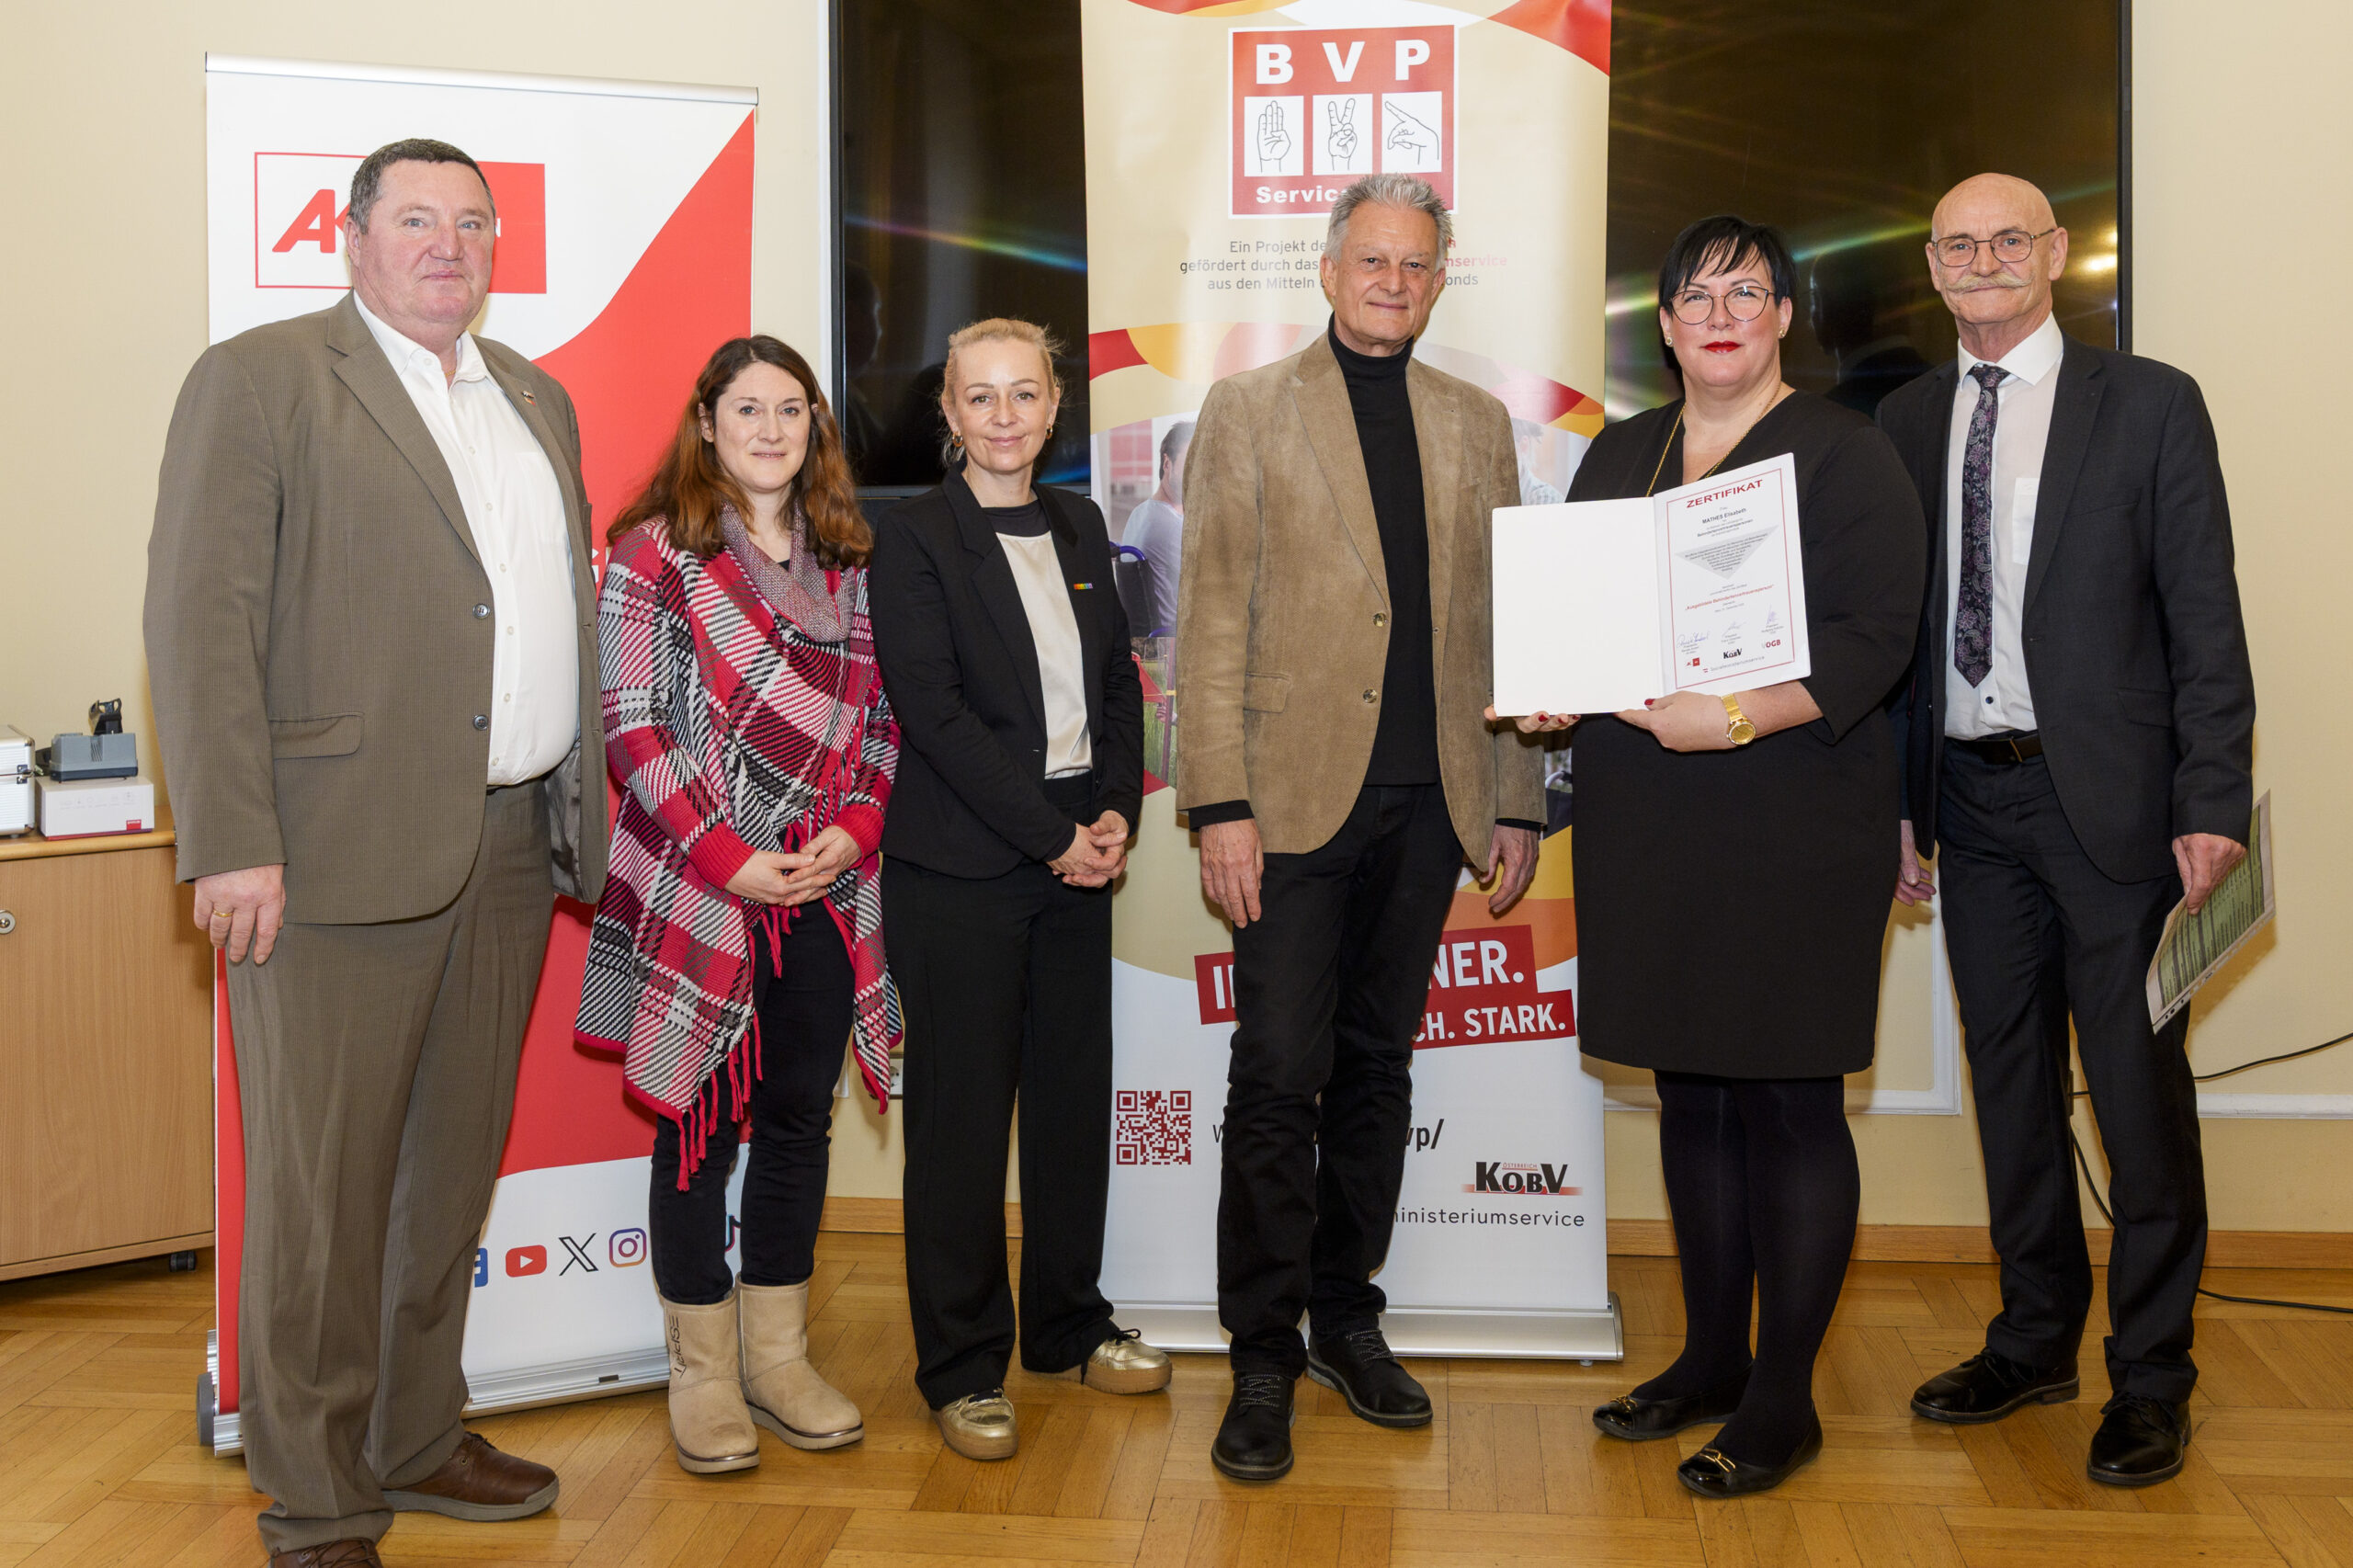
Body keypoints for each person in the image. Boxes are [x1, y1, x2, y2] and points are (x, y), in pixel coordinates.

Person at [143, 139, 607, 1568]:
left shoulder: (534, 395)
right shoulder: (261, 380)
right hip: (326, 856)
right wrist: (232, 840)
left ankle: (414, 1432)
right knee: (322, 1196)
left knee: (447, 1175)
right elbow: (198, 621)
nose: (446, 244)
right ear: (350, 239)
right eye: (414, 218)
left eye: (472, 221)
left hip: (510, 845)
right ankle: (317, 1493)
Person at [1500, 215, 1925, 1498]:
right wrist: (1553, 687)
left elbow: (1877, 637)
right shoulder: (1621, 452)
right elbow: (1586, 619)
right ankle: (1708, 1357)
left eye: (1747, 293)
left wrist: (1734, 714)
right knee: (1691, 1092)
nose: (1722, 315)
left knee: (1789, 1099)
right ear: (1668, 326)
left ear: (1785, 315)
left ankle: (1783, 1396)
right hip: (1650, 818)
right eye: (1697, 296)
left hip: (1795, 818)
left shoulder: (1848, 452)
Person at [1879, 173, 2255, 1486]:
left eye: (2008, 238)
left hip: (2117, 813)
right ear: (1933, 266)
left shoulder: (2149, 403)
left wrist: (2211, 801)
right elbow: (1898, 635)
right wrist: (1900, 801)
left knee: (2138, 1102)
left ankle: (2152, 1377)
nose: (1982, 259)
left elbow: (2204, 617)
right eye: (1958, 243)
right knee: (2012, 1090)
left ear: (2051, 253)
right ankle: (2034, 1338)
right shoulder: (1906, 417)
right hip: (1969, 803)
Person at [1177, 172, 1545, 1483]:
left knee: (1379, 1066)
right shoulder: (1248, 408)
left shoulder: (1476, 421)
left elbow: (1507, 619)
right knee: (1280, 1070)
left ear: (1439, 281)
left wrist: (1515, 793)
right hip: (1284, 800)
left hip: (1433, 801)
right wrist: (1217, 800)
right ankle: (1261, 1349)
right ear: (1330, 272)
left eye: (1416, 264)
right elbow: (1209, 613)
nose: (1394, 281)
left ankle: (1346, 1318)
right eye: (1373, 260)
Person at [574, 336, 898, 1475]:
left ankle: (779, 1357)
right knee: (698, 1127)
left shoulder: (847, 559)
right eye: (747, 409)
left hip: (823, 884)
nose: (770, 429)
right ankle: (703, 1372)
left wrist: (855, 826)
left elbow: (883, 723)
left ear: (815, 428)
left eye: (791, 409)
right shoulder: (652, 553)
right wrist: (727, 855)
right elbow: (631, 726)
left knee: (799, 1119)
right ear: (706, 422)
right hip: (704, 886)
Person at [869, 317, 1169, 1461]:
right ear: (949, 413)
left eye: (1024, 393)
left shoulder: (1081, 521)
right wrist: (1055, 837)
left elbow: (1117, 681)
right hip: (964, 870)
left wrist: (1116, 811)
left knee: (1068, 1103)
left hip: (1077, 853)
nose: (1004, 415)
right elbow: (935, 715)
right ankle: (960, 1365)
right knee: (959, 1124)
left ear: (1053, 408)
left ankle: (1066, 1323)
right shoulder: (914, 538)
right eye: (980, 396)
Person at [1119, 418, 1193, 635]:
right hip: (1178, 638)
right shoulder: (1168, 525)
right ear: (1167, 463)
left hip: (1159, 638)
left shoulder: (1141, 512)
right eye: (1189, 462)